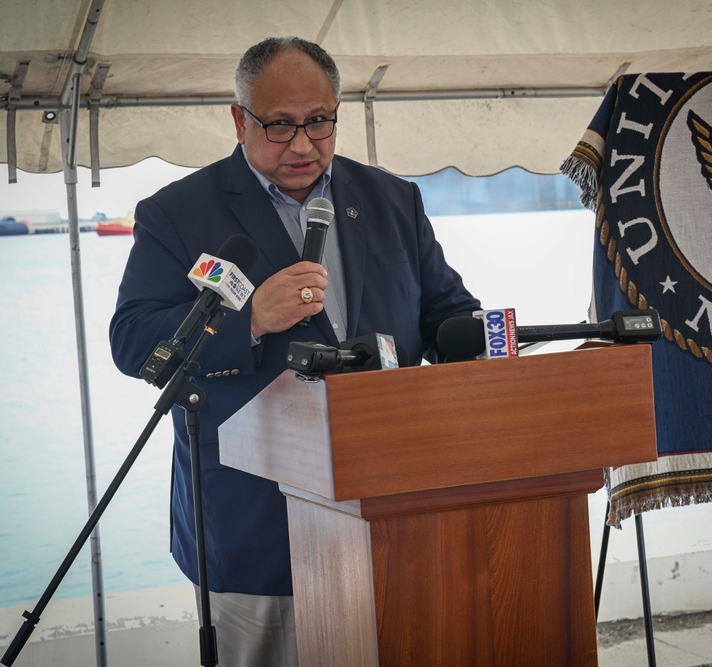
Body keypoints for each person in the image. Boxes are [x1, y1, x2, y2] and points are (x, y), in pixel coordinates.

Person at [108, 36, 480, 666]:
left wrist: (483, 342)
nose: (303, 144)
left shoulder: (392, 199)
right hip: (254, 517)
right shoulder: (177, 213)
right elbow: (133, 339)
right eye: (279, 125)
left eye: (318, 121)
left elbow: (445, 311)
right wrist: (249, 317)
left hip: (391, 502)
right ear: (239, 119)